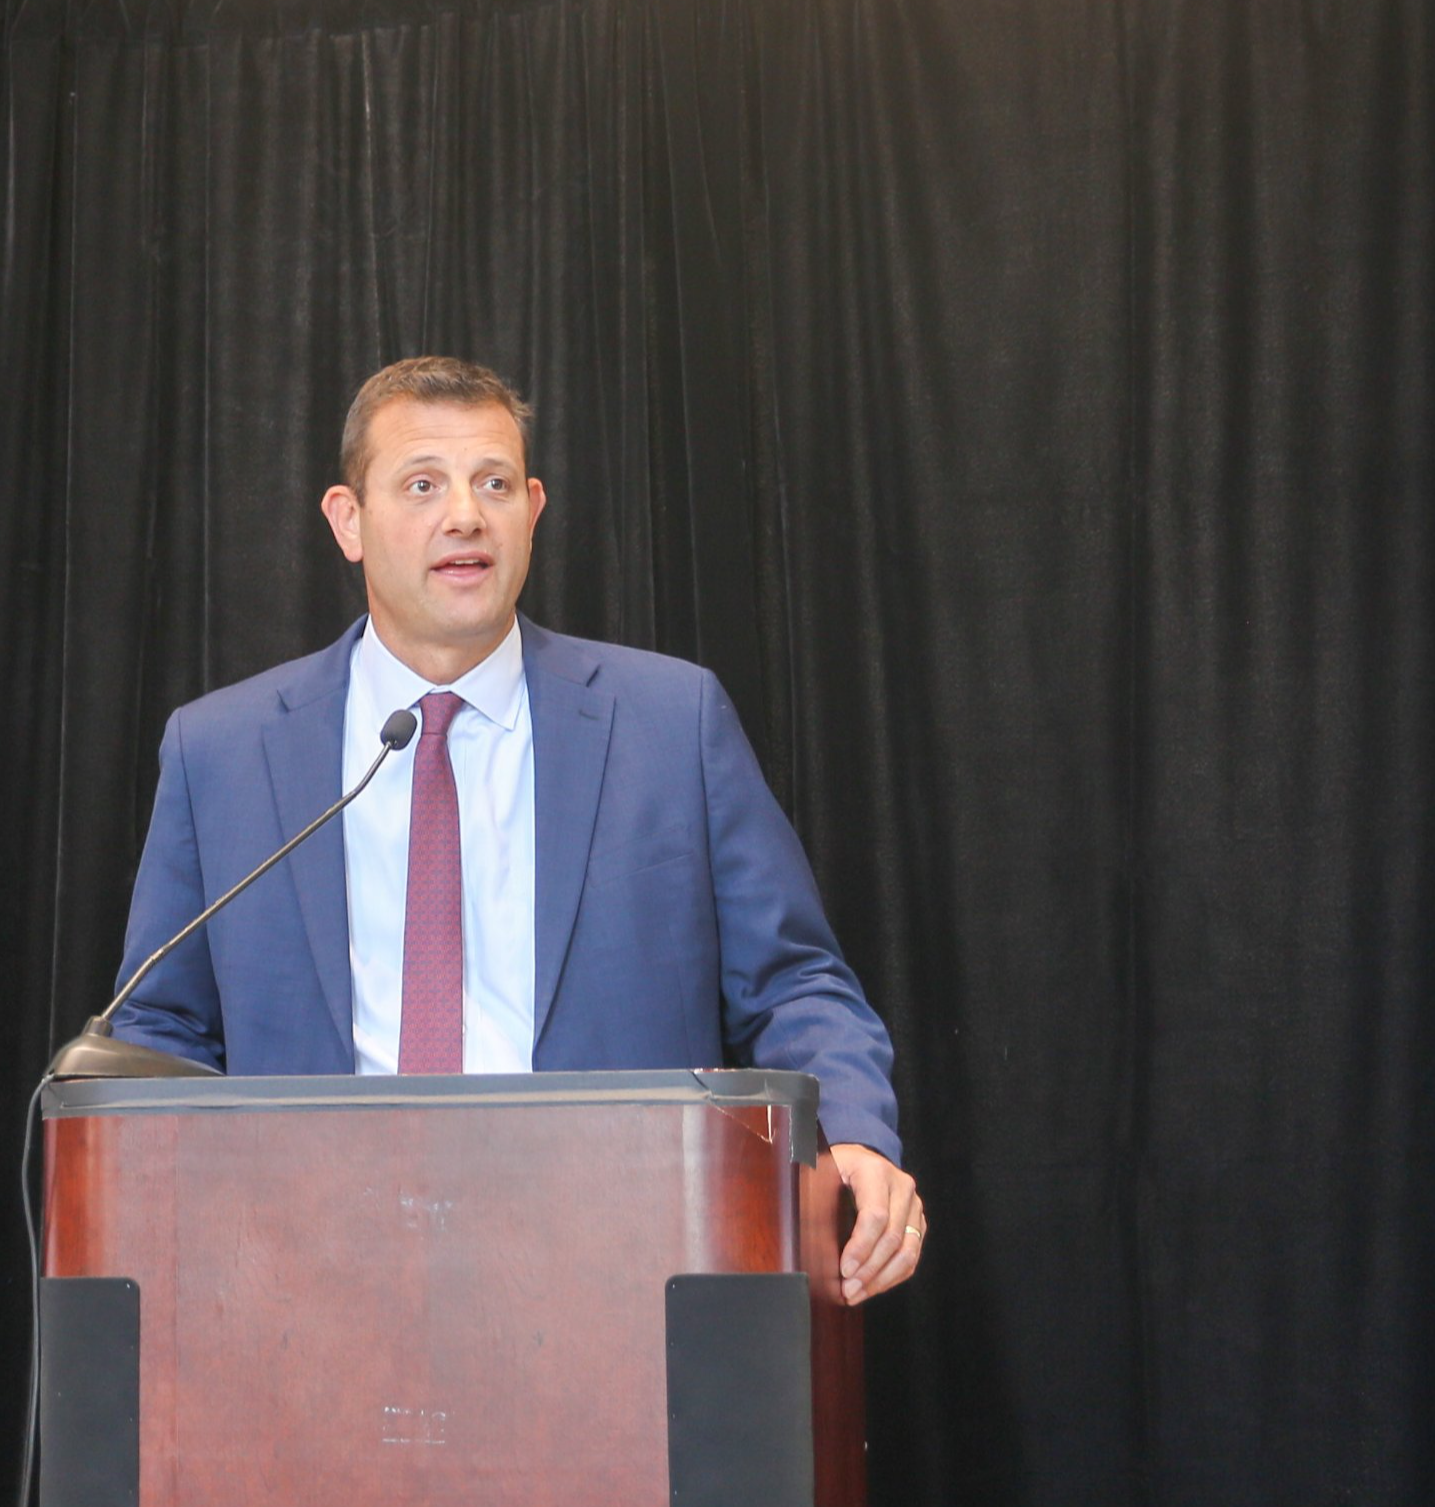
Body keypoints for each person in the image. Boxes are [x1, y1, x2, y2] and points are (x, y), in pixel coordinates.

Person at [113, 356, 927, 1303]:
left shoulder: (669, 723)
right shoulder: (224, 750)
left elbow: (794, 980)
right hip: (312, 1286)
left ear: (532, 508)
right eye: (423, 484)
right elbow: (158, 1025)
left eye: (493, 483)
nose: (465, 514)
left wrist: (857, 1135)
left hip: (611, 1271)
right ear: (348, 521)